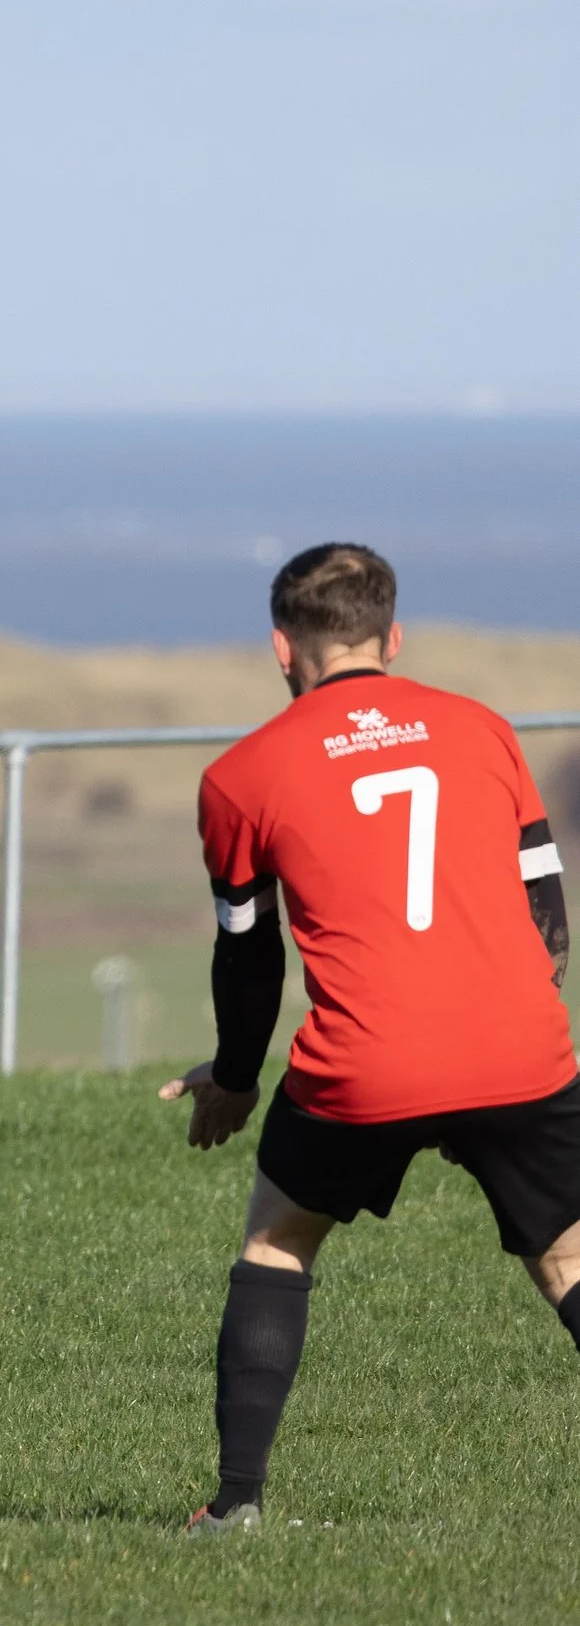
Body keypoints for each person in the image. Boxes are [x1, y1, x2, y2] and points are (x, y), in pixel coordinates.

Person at [164, 543, 578, 1533]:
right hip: (521, 1042)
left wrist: (230, 1078)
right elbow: (550, 915)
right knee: (567, 1259)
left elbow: (249, 958)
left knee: (278, 1240)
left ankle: (236, 1508)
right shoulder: (483, 729)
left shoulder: (238, 777)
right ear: (391, 639)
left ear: (279, 648)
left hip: (365, 1065)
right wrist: (486, 1031)